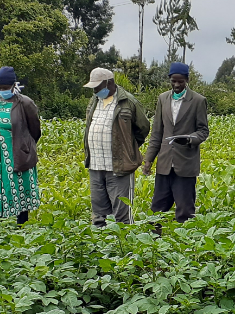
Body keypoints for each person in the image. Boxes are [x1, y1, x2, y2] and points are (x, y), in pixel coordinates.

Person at [83, 67, 150, 226]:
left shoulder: (128, 101)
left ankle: (123, 246)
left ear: (109, 83)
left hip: (119, 165)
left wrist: (128, 147)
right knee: (99, 212)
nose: (95, 91)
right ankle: (101, 245)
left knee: (121, 212)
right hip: (96, 164)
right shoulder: (94, 101)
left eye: (97, 87)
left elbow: (143, 128)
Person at [143, 62, 210, 223]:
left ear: (187, 79)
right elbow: (157, 132)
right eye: (173, 81)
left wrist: (189, 139)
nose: (177, 85)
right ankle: (155, 242)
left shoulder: (198, 101)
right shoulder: (163, 99)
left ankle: (184, 244)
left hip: (185, 163)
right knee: (157, 208)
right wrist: (148, 159)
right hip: (165, 162)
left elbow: (203, 131)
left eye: (180, 81)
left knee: (185, 210)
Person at [0, 66, 41, 225]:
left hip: (15, 154)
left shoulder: (24, 103)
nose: (2, 90)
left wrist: (25, 147)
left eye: (5, 88)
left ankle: (22, 222)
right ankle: (3, 220)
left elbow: (35, 129)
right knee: (1, 185)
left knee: (17, 185)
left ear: (14, 85)